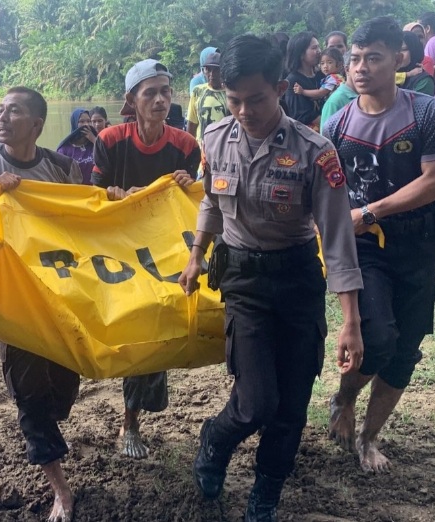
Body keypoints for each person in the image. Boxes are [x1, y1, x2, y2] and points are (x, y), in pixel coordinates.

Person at [180, 34, 363, 522]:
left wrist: (350, 321)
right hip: (244, 281)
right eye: (234, 100)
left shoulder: (315, 151)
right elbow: (210, 201)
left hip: (297, 278)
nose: (244, 111)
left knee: (292, 405)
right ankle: (216, 438)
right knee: (256, 402)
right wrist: (197, 254)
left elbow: (337, 239)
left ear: (280, 88)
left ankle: (266, 491)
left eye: (256, 99)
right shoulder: (214, 139)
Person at [324, 16, 435, 473]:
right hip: (364, 249)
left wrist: (371, 211)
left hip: (418, 241)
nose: (361, 67)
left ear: (398, 59)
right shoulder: (337, 125)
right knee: (376, 337)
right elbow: (328, 194)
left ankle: (369, 436)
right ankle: (344, 398)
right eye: (355, 58)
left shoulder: (427, 112)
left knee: (404, 351)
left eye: (373, 58)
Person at [0, 86, 82, 522]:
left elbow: (86, 217)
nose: (1, 118)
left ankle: (49, 425)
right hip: (13, 299)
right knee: (31, 397)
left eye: (13, 112)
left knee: (63, 392)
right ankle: (61, 490)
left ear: (36, 124)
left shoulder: (62, 167)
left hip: (59, 292)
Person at [92, 59, 200, 459]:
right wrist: (114, 195)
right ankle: (130, 420)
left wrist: (189, 184)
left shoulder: (186, 145)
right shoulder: (109, 139)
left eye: (165, 92)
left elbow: (191, 201)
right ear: (131, 99)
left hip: (165, 249)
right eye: (149, 93)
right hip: (120, 246)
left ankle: (132, 417)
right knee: (138, 326)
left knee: (159, 322)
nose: (159, 100)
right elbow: (93, 195)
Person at [187, 51, 231, 147]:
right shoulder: (198, 91)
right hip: (202, 149)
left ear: (223, 71)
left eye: (216, 70)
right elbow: (192, 123)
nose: (212, 74)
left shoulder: (230, 93)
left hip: (225, 148)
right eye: (208, 69)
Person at [284, 32, 324, 129]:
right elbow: (303, 116)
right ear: (301, 54)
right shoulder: (293, 81)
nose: (319, 51)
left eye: (318, 47)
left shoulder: (321, 75)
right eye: (314, 48)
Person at [56, 109, 97, 185]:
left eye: (89, 121)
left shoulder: (95, 144)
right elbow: (59, 176)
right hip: (75, 190)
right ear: (74, 123)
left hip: (95, 190)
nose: (86, 124)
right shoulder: (64, 150)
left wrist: (95, 141)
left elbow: (108, 162)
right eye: (81, 121)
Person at [321, 51, 359, 128]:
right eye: (357, 64)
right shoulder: (335, 102)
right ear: (347, 69)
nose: (363, 69)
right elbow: (326, 134)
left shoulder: (368, 96)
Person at [399, 31, 435, 95]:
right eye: (394, 50)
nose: (398, 55)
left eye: (403, 50)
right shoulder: (387, 75)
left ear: (414, 51)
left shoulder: (423, 81)